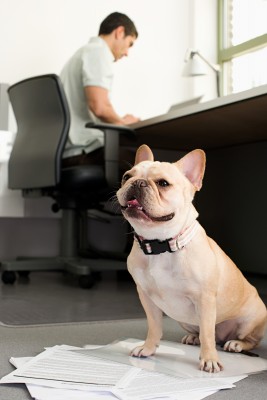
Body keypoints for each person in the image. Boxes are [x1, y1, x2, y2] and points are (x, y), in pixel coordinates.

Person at [60, 12, 140, 167]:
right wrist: (124, 124)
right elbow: (100, 107)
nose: (127, 53)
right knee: (143, 162)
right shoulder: (98, 52)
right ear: (120, 32)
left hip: (69, 151)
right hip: (84, 151)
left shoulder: (85, 52)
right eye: (129, 44)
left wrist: (119, 120)